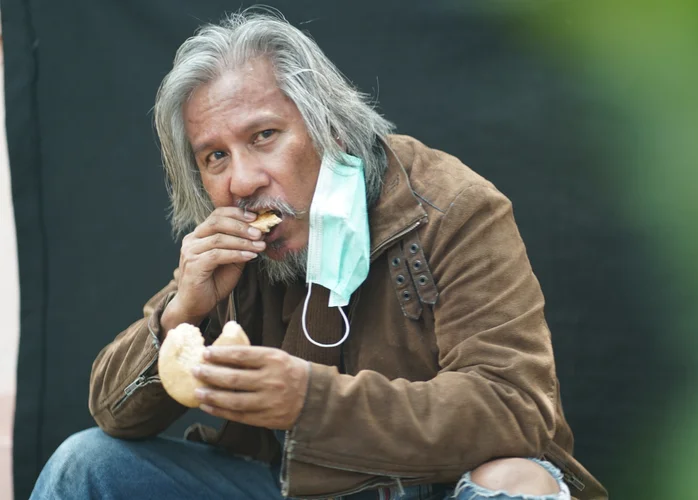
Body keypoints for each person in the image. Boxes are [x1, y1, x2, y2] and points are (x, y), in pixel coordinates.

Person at [31, 10, 607, 500]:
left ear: (329, 126)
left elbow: (513, 408)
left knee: (516, 481)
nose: (242, 181)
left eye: (263, 137)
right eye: (214, 158)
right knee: (88, 462)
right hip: (287, 485)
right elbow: (112, 413)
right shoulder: (237, 248)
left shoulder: (453, 208)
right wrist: (183, 311)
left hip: (427, 486)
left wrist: (310, 401)